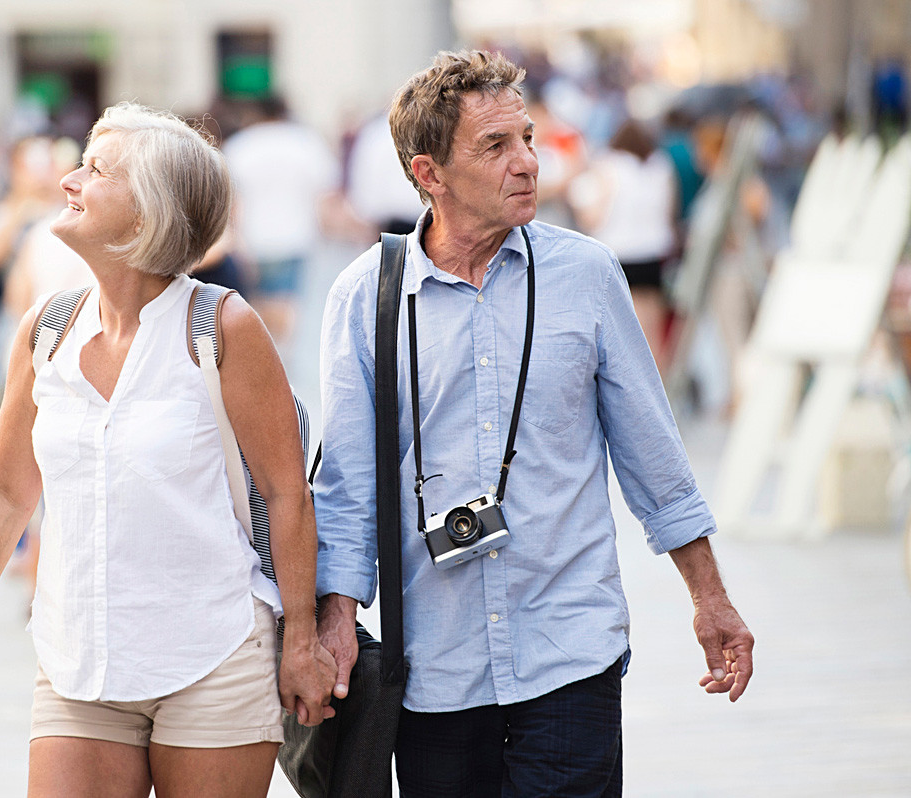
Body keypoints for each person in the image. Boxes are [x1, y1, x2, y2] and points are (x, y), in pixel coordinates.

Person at [313, 50, 754, 797]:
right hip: (436, 670)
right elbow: (347, 487)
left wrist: (710, 598)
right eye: (495, 146)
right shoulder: (365, 299)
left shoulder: (587, 274)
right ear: (428, 173)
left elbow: (654, 456)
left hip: (570, 650)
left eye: (526, 138)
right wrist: (334, 624)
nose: (527, 162)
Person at [0, 102, 336, 798]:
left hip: (215, 657)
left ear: (148, 213)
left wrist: (302, 641)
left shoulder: (223, 327)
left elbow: (289, 494)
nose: (68, 180)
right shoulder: (46, 331)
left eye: (96, 170)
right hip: (76, 665)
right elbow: (5, 492)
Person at [221, 95, 336, 354]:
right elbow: (325, 195)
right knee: (287, 305)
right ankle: (280, 359)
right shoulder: (305, 142)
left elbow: (231, 201)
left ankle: (264, 355)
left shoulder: (240, 145)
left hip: (252, 238)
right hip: (295, 237)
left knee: (256, 305)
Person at [568, 118, 678, 368]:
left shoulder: (608, 165)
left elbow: (594, 216)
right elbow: (670, 211)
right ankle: (660, 377)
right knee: (653, 326)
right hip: (653, 251)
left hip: (620, 251)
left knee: (625, 329)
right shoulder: (660, 166)